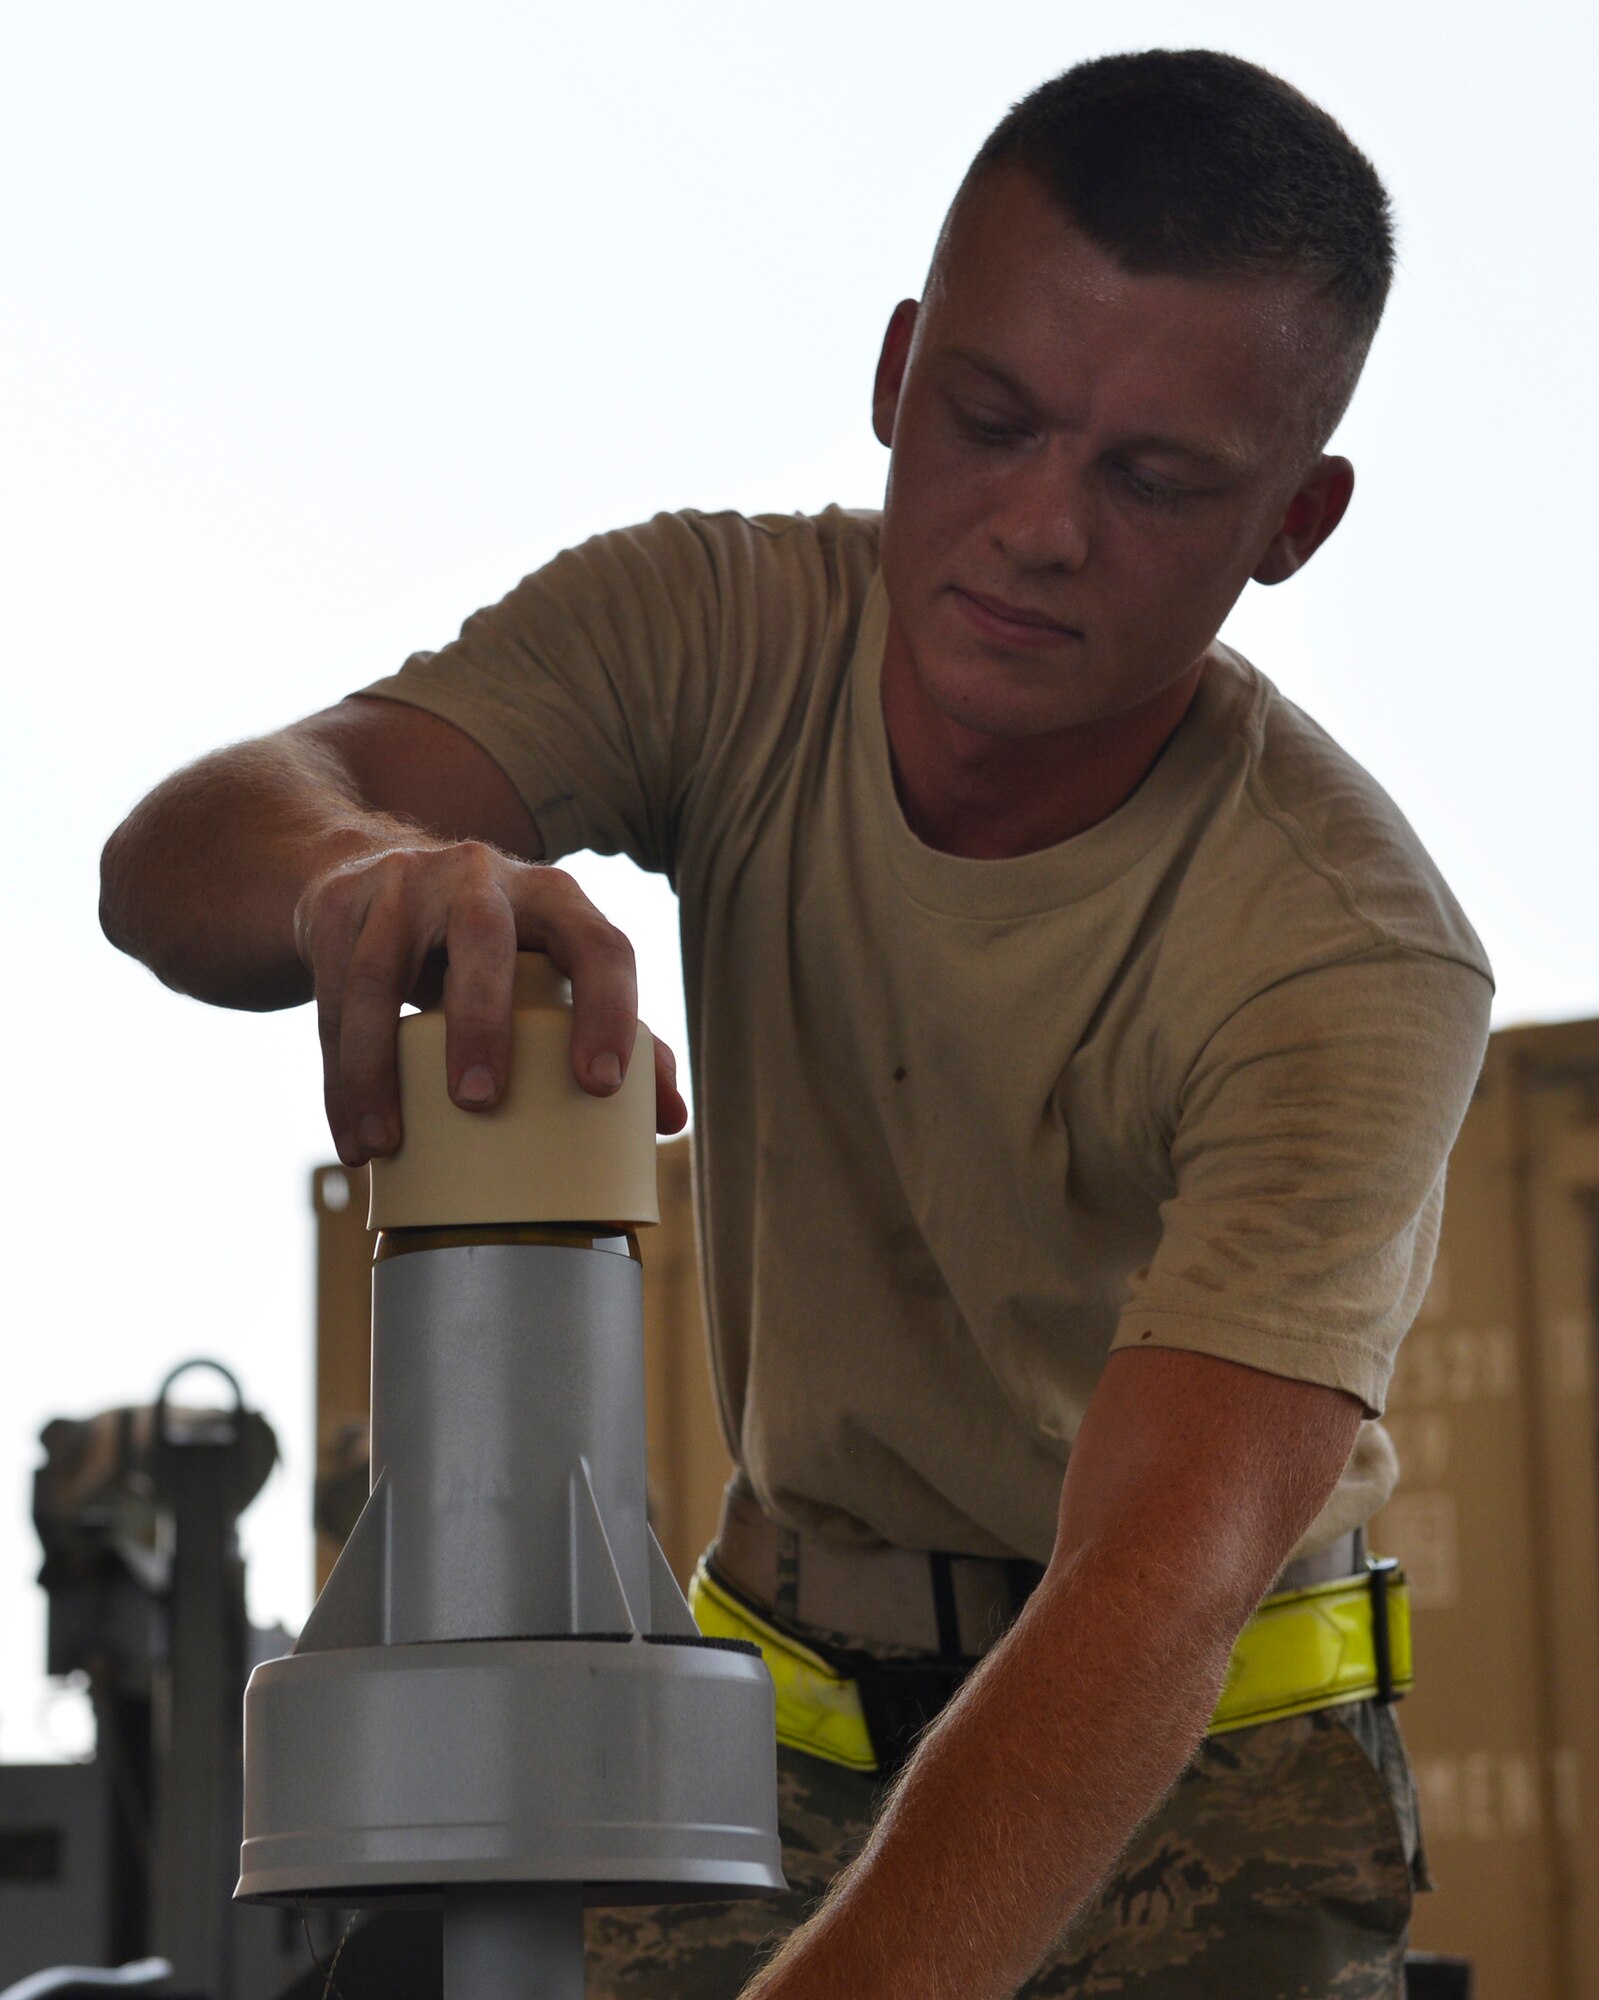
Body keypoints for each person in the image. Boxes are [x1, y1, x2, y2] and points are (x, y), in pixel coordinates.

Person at [100, 49, 1492, 2000]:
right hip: (788, 1714)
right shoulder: (719, 628)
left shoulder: (1341, 950)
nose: (1033, 527)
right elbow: (177, 850)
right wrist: (355, 869)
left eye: (1149, 478)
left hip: (1200, 1778)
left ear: (1294, 519)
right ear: (895, 369)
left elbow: (1156, 1586)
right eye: (987, 419)